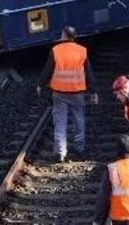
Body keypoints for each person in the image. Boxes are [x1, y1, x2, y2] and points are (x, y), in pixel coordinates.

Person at [36, 26, 98, 162]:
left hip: (59, 93)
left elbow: (48, 70)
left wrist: (40, 84)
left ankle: (60, 152)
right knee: (79, 121)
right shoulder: (82, 51)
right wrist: (93, 92)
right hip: (77, 93)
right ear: (74, 37)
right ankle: (80, 149)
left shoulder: (55, 50)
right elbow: (89, 73)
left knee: (60, 122)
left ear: (63, 36)